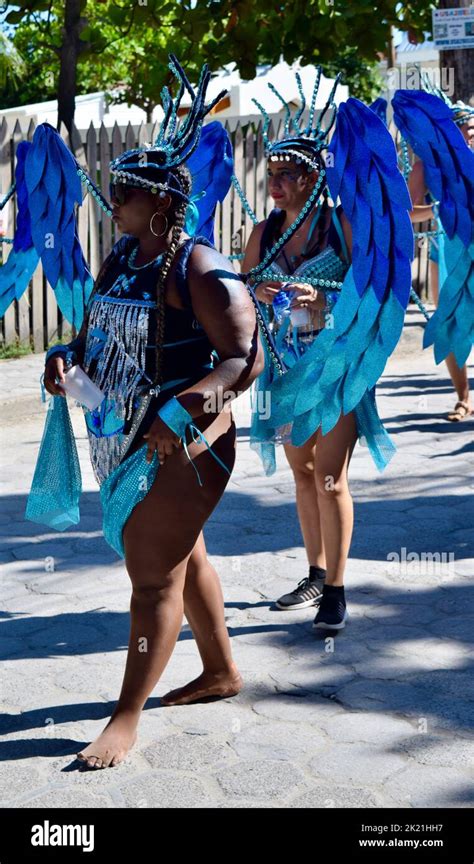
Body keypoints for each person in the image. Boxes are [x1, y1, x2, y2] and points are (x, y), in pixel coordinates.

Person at [40, 57, 264, 769]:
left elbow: (245, 359)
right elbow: (93, 331)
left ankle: (125, 716)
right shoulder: (122, 259)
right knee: (182, 554)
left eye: (124, 196)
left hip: (186, 446)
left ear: (160, 204)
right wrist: (63, 359)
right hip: (123, 438)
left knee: (153, 578)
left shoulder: (200, 267)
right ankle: (223, 672)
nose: (112, 204)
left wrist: (188, 408)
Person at [239, 71, 413, 631]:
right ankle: (314, 572)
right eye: (272, 175)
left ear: (315, 177)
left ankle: (336, 589)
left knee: (331, 476)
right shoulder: (260, 236)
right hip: (283, 374)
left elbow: (379, 288)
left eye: (288, 175)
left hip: (337, 370)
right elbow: (236, 297)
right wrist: (256, 291)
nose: (276, 186)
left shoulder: (342, 226)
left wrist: (325, 295)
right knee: (302, 472)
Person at [407, 109, 474, 421]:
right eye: (468, 127)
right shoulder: (427, 167)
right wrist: (439, 208)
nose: (472, 133)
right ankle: (464, 397)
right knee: (448, 323)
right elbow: (405, 212)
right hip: (446, 249)